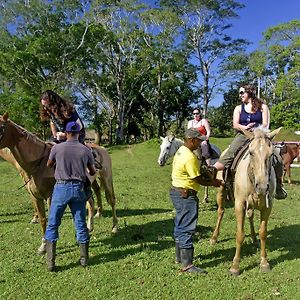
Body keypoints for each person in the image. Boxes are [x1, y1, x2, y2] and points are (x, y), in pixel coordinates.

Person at [213, 84, 287, 199]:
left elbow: (266, 124)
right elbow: (235, 124)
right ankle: (214, 172)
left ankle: (279, 187)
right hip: (243, 135)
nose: (240, 95)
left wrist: (256, 130)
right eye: (240, 93)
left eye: (242, 92)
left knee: (277, 158)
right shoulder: (238, 108)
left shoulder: (263, 107)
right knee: (230, 152)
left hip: (261, 136)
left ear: (250, 92)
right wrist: (245, 128)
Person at [44, 121, 96, 272]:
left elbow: (49, 164)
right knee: (80, 223)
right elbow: (92, 172)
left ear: (66, 133)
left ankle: (50, 263)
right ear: (79, 133)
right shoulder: (85, 150)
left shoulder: (57, 148)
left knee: (53, 223)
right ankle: (84, 259)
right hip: (78, 189)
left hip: (61, 188)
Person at [170, 128, 223, 274]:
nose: (200, 143)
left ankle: (179, 257)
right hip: (186, 195)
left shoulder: (181, 150)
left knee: (180, 224)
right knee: (187, 227)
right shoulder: (190, 157)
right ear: (191, 140)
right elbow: (197, 179)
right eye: (199, 140)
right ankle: (188, 265)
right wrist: (214, 183)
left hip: (176, 191)